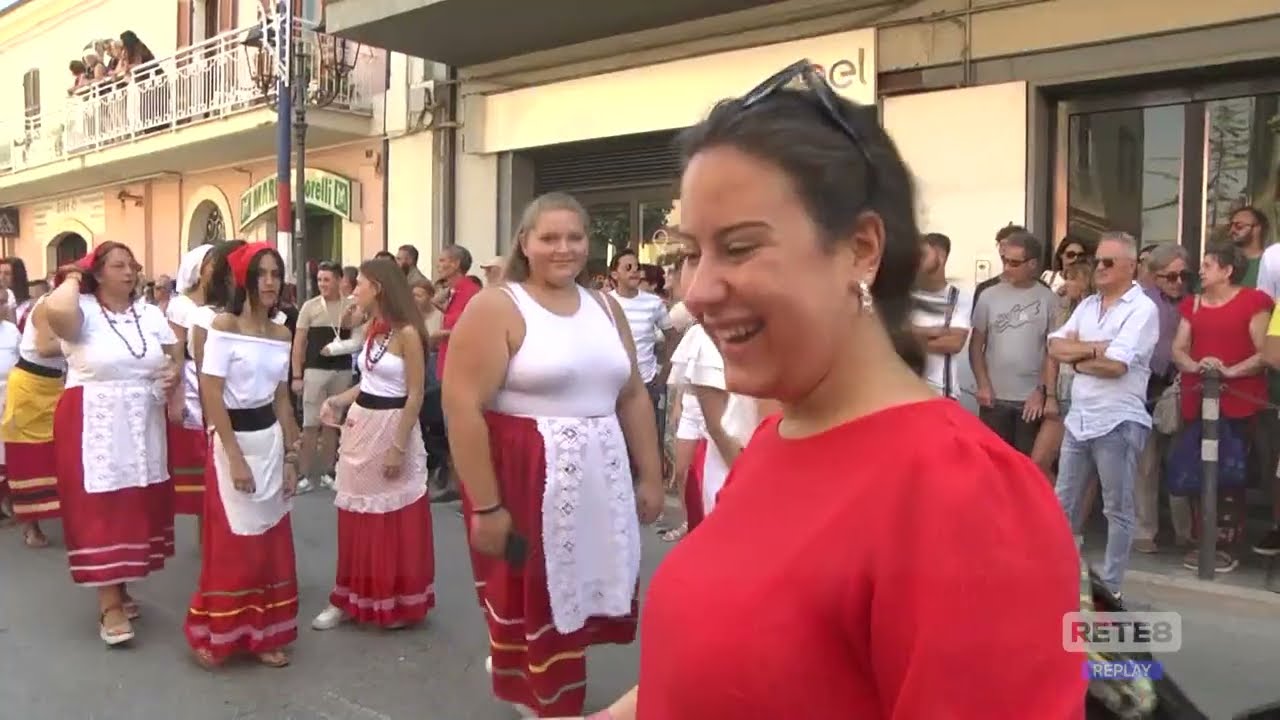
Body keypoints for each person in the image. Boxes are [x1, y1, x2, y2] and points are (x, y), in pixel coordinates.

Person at [600, 60, 1083, 719]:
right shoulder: (776, 437)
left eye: (739, 248)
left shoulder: (963, 493)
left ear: (860, 249)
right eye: (692, 253)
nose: (698, 290)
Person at [444, 192, 664, 717]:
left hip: (598, 480)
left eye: (574, 237)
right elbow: (462, 406)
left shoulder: (606, 306)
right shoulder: (498, 306)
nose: (563, 248)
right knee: (533, 594)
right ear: (525, 243)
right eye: (549, 238)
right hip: (523, 480)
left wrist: (651, 475)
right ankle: (546, 700)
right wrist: (487, 505)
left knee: (578, 590)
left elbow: (632, 394)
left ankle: (538, 679)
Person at [45, 242, 181, 646]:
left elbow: (173, 356)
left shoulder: (148, 313)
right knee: (102, 506)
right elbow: (58, 314)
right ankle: (109, 605)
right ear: (98, 274)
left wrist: (172, 374)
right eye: (118, 265)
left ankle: (119, 587)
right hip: (94, 419)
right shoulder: (82, 310)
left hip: (142, 420)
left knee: (133, 503)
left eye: (132, 265)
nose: (129, 271)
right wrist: (74, 276)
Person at [184, 242, 301, 669]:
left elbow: (282, 398)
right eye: (261, 274)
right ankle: (218, 630)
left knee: (268, 544)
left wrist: (291, 457)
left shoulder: (282, 333)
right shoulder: (224, 325)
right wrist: (233, 456)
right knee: (234, 546)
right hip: (233, 443)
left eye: (275, 274)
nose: (270, 282)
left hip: (269, 441)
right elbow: (211, 391)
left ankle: (265, 633)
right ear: (244, 280)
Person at [312, 258, 434, 631]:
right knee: (354, 515)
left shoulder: (408, 333)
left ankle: (390, 598)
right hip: (361, 424)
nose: (353, 291)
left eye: (359, 284)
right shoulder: (372, 329)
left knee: (388, 517)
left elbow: (415, 394)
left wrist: (398, 446)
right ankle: (348, 597)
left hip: (392, 426)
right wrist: (338, 400)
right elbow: (368, 383)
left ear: (378, 288)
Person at [1048, 230, 1160, 597]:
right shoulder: (1087, 305)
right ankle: (1056, 579)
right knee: (1062, 504)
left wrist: (1077, 360)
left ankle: (1110, 587)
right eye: (1097, 261)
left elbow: (1117, 366)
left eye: (1108, 262)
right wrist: (1096, 349)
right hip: (1079, 419)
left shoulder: (1142, 309)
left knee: (1117, 509)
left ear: (1131, 266)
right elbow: (1054, 346)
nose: (1099, 267)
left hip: (1118, 420)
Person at [1, 272, 66, 548]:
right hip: (26, 391)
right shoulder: (47, 305)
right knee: (27, 459)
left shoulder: (10, 330)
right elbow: (44, 348)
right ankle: (30, 525)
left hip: (52, 387)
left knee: (57, 455)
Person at [165, 244, 216, 518]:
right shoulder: (180, 305)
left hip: (215, 380)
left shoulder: (219, 305)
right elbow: (174, 354)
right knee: (197, 460)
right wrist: (178, 396)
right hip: (192, 382)